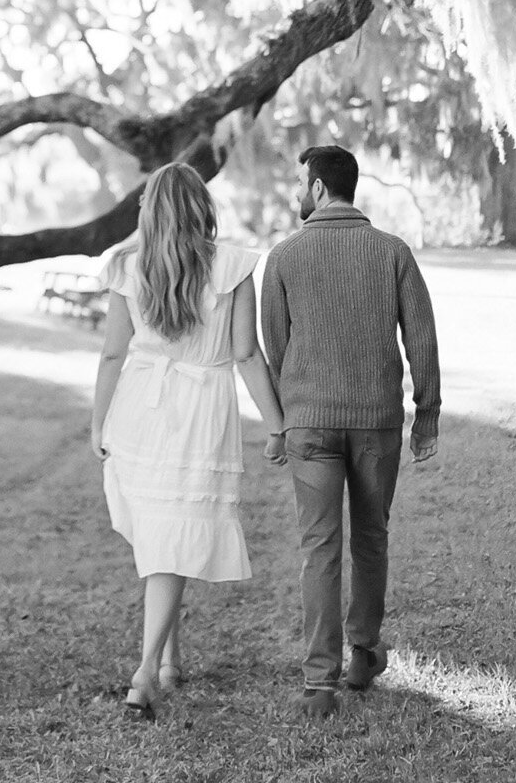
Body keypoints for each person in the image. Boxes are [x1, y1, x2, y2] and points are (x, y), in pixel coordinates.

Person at [90, 161, 288, 721]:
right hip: (197, 410)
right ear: (202, 207)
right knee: (168, 533)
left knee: (165, 532)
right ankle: (146, 672)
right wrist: (276, 423)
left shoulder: (129, 267)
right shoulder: (229, 267)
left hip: (140, 408)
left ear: (149, 210)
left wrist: (98, 421)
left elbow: (112, 354)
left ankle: (168, 660)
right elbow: (247, 355)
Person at [260, 142, 442, 721]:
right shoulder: (392, 252)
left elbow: (276, 349)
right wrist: (427, 413)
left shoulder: (284, 256)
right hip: (376, 422)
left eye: (297, 183)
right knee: (370, 538)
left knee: (319, 548)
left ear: (317, 188)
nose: (294, 193)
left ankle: (320, 684)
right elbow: (422, 338)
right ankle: (363, 654)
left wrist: (290, 415)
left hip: (309, 423)